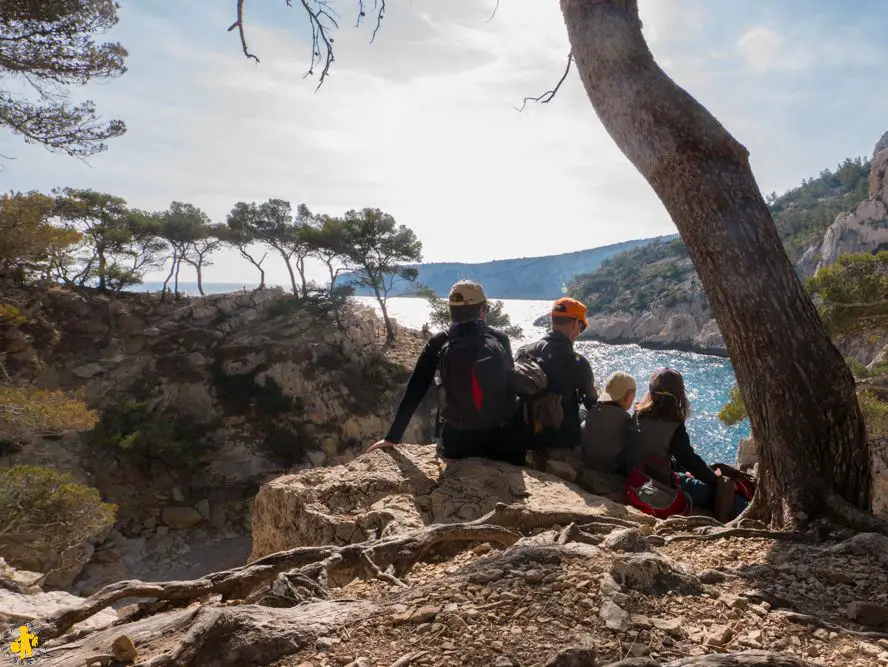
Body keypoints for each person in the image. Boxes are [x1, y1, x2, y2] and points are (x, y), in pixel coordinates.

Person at [367, 279, 523, 465]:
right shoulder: (500, 339)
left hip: (457, 444)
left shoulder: (439, 342)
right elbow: (511, 387)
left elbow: (415, 390)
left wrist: (392, 437)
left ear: (451, 312)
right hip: (501, 442)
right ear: (483, 310)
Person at [624, 367, 748, 518]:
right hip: (658, 484)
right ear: (680, 394)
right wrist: (717, 482)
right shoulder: (673, 424)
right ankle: (749, 511)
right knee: (711, 491)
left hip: (633, 476)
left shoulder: (638, 413)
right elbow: (689, 459)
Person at [515, 297, 597, 458]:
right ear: (575, 324)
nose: (579, 333)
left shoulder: (524, 351)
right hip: (560, 438)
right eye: (581, 328)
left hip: (528, 433)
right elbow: (592, 400)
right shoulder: (578, 362)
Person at [580, 371, 637, 474]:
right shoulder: (626, 420)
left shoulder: (594, 410)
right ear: (628, 397)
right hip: (610, 468)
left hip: (587, 461)